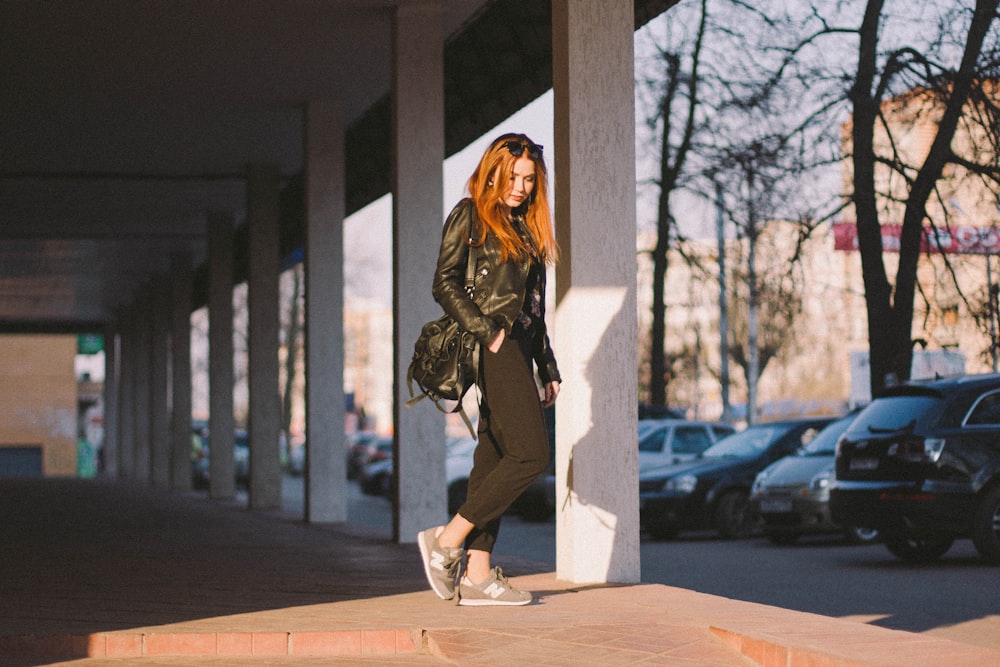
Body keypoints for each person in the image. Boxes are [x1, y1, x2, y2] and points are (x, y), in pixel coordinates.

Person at [417, 133, 561, 606]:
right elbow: (445, 282)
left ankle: (478, 574)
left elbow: (534, 310)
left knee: (495, 454)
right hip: (491, 345)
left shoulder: (527, 229)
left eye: (529, 180)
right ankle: (447, 539)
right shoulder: (471, 215)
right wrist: (488, 332)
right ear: (494, 170)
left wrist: (547, 365)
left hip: (519, 348)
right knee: (532, 455)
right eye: (513, 177)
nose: (520, 187)